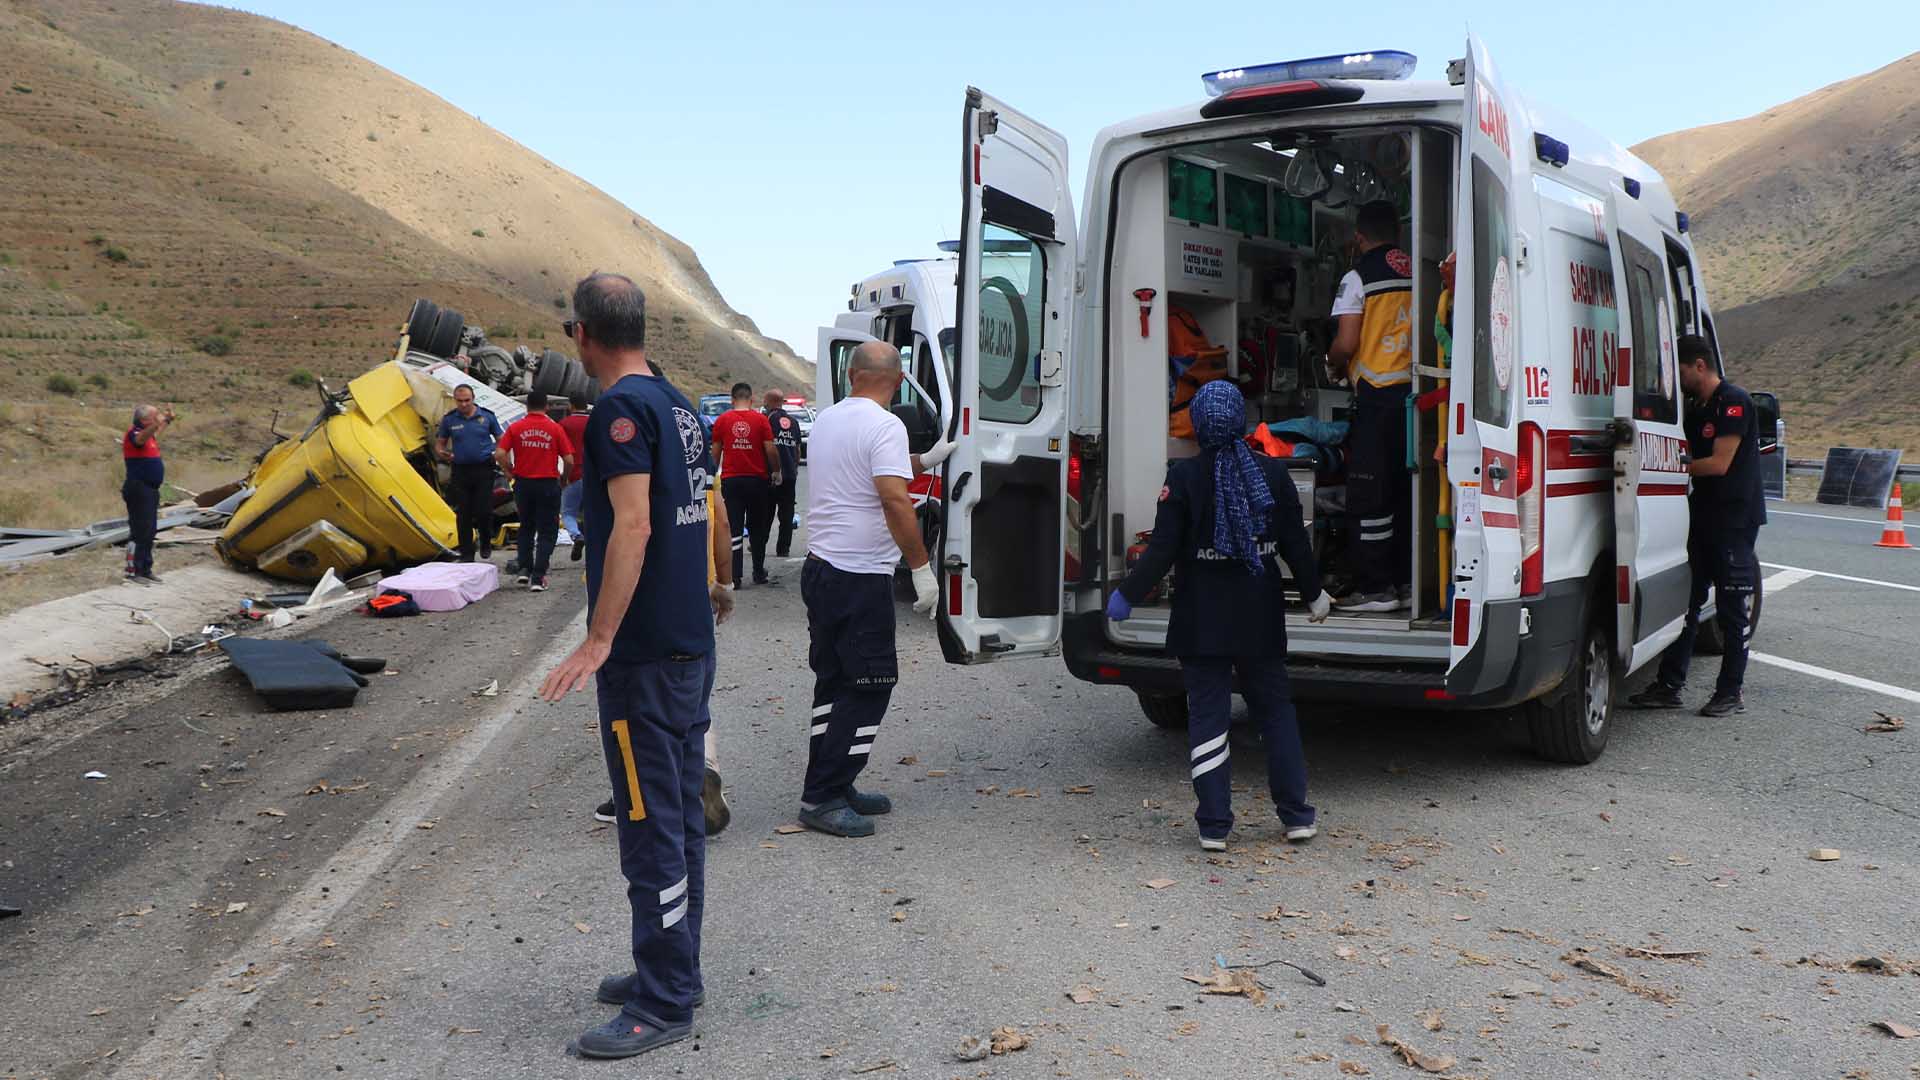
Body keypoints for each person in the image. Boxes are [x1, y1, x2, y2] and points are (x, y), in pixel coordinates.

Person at [539, 272, 732, 1060]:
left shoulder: (618, 409)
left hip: (647, 657)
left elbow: (633, 526)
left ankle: (661, 1002)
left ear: (583, 334)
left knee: (651, 826)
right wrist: (716, 582)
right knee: (680, 818)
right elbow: (703, 507)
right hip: (688, 644)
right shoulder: (680, 403)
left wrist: (597, 639)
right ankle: (672, 970)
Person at [1107, 381, 1333, 850]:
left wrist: (1127, 594)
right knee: (1275, 714)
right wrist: (1315, 595)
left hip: (1201, 619)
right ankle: (1296, 816)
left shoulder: (1184, 478)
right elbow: (1296, 545)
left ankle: (1214, 825)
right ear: (1239, 423)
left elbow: (1162, 549)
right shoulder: (1271, 475)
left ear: (1198, 426)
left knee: (1208, 717)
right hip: (1260, 615)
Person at [797, 342, 952, 837]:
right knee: (869, 686)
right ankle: (823, 795)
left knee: (835, 682)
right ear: (900, 377)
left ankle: (832, 784)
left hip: (823, 569)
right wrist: (922, 567)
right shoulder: (886, 425)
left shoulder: (829, 419)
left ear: (852, 375)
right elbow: (892, 497)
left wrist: (923, 460)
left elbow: (869, 464)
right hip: (859, 577)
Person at [595, 440, 735, 837]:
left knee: (633, 705)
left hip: (641, 600)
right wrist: (723, 581)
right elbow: (721, 521)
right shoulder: (698, 461)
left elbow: (629, 529)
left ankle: (632, 793)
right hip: (697, 591)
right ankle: (703, 767)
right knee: (694, 701)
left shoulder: (627, 460)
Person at [1627, 334, 1766, 717]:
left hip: (1734, 520)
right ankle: (1669, 685)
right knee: (1686, 603)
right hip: (1701, 514)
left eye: (1683, 370)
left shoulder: (1734, 402)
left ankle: (1730, 692)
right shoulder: (1695, 406)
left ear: (1700, 366)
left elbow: (1720, 464)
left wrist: (1672, 466)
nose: (1680, 378)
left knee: (1731, 608)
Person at [1326, 200, 1414, 613]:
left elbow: (1346, 343)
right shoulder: (1419, 270)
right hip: (1416, 397)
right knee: (1407, 490)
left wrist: (1331, 364)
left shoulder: (1357, 277)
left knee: (1369, 495)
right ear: (1396, 230)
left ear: (1359, 237)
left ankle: (1376, 588)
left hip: (1377, 395)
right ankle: (1407, 581)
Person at [496, 391, 575, 591]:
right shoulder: (554, 428)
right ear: (546, 407)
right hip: (548, 483)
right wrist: (564, 478)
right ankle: (538, 577)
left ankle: (524, 570)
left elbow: (500, 453)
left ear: (527, 407)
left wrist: (509, 471)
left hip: (523, 484)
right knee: (548, 531)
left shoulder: (516, 428)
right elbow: (569, 460)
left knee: (526, 527)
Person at [714, 383, 781, 587]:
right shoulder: (760, 420)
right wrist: (776, 471)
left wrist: (711, 476)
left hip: (731, 481)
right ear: (751, 400)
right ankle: (759, 572)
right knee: (757, 528)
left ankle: (734, 576)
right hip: (756, 481)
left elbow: (715, 452)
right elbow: (770, 450)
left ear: (732, 400)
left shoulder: (722, 420)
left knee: (733, 528)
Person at [434, 385, 503, 562]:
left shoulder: (486, 416)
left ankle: (486, 541)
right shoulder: (450, 420)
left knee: (483, 510)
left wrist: (499, 456)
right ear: (455, 400)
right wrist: (443, 453)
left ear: (473, 399)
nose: (463, 404)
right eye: (460, 401)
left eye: (467, 400)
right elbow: (440, 443)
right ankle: (467, 553)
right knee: (463, 513)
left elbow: (501, 440)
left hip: (483, 469)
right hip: (461, 470)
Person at [122, 403, 173, 585]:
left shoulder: (149, 436)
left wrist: (166, 420)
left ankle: (146, 569)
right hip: (138, 488)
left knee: (149, 530)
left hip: (151, 489)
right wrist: (157, 423)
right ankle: (132, 571)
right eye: (154, 416)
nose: (157, 419)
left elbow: (154, 434)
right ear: (144, 420)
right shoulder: (134, 434)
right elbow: (141, 439)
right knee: (138, 531)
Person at [762, 389, 803, 558]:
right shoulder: (793, 422)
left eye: (765, 401)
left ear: (770, 402)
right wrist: (793, 468)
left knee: (766, 512)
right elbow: (798, 449)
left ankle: (760, 544)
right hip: (790, 475)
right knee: (787, 514)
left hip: (772, 474)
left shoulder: (767, 420)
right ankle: (783, 548)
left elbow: (766, 447)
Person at [558, 399, 592, 562]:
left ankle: (576, 535)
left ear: (571, 405)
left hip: (574, 474)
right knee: (590, 513)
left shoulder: (564, 424)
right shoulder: (594, 422)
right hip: (594, 475)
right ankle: (594, 547)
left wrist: (563, 477)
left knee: (568, 512)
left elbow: (562, 453)